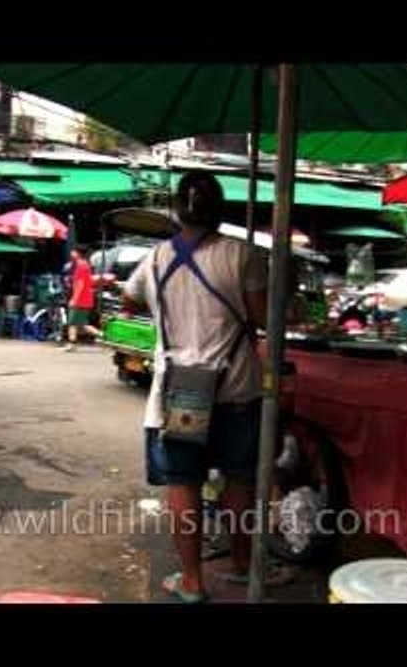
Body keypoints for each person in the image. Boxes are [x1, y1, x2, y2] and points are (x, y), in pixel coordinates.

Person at [121, 171, 269, 603]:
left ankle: (191, 581)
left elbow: (130, 300)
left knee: (184, 483)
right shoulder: (244, 255)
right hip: (237, 389)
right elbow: (264, 317)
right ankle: (242, 566)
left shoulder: (155, 259)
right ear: (219, 211)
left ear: (176, 210)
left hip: (180, 391)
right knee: (240, 480)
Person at [62, 246, 101, 352]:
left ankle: (104, 336)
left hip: (81, 299)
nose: (71, 253)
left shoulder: (81, 265)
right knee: (79, 324)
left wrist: (74, 299)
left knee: (74, 323)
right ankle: (72, 344)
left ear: (77, 253)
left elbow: (80, 283)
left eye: (73, 251)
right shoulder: (85, 265)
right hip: (85, 298)